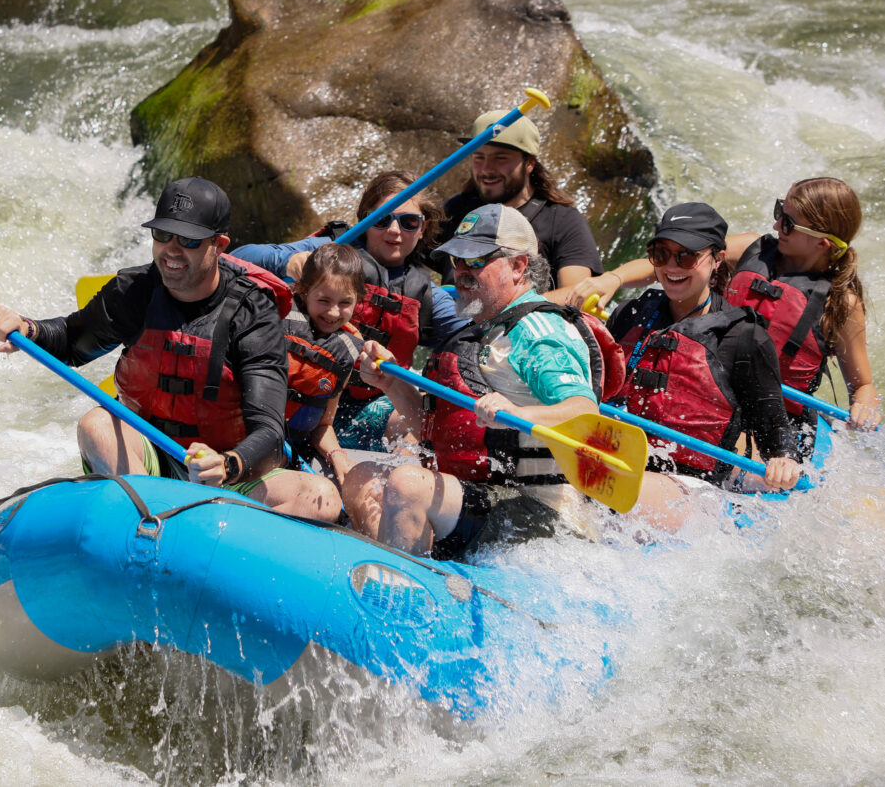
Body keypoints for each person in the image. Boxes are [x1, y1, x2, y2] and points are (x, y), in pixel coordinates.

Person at [0, 177, 341, 522]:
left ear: (219, 244)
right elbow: (72, 341)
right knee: (97, 423)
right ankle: (152, 521)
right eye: (162, 234)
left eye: (188, 240)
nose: (172, 249)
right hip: (151, 463)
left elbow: (269, 432)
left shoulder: (252, 313)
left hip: (224, 475)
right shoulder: (134, 291)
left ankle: (208, 532)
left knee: (320, 498)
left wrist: (228, 463)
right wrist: (25, 328)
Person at [341, 202, 611, 558]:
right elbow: (429, 428)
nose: (462, 273)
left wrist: (517, 411)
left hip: (538, 514)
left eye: (477, 261)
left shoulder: (539, 333)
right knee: (362, 477)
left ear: (518, 266)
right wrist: (391, 383)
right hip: (479, 492)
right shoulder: (482, 330)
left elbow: (582, 410)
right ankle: (406, 569)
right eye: (458, 261)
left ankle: (401, 587)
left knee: (408, 484)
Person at [567, 177, 879, 436]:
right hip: (703, 389)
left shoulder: (841, 304)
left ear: (820, 243)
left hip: (770, 418)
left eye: (786, 223)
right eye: (779, 210)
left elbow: (862, 384)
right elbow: (679, 260)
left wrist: (864, 408)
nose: (775, 223)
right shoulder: (752, 248)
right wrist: (613, 279)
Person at [232, 170, 468, 450]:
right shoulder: (330, 253)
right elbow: (236, 259)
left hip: (365, 410)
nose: (394, 231)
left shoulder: (429, 296)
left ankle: (402, 482)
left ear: (423, 229)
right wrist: (288, 260)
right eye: (382, 219)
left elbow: (471, 335)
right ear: (366, 219)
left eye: (408, 222)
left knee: (422, 422)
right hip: (302, 399)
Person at [605, 203, 802, 492]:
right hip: (619, 460)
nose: (671, 267)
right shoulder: (630, 314)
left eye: (686, 257)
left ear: (718, 259)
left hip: (696, 486)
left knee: (616, 482)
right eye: (661, 255)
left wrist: (784, 461)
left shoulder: (744, 338)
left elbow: (775, 432)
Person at [432, 109, 603, 300]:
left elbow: (577, 296)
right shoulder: (456, 209)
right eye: (479, 157)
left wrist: (504, 310)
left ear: (529, 163)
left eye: (500, 158)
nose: (487, 169)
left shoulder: (562, 220)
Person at [281, 242, 365, 487]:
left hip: (295, 448)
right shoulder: (274, 315)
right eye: (324, 300)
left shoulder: (346, 350)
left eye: (345, 303)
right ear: (303, 291)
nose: (333, 312)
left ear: (358, 301)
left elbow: (323, 424)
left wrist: (337, 456)